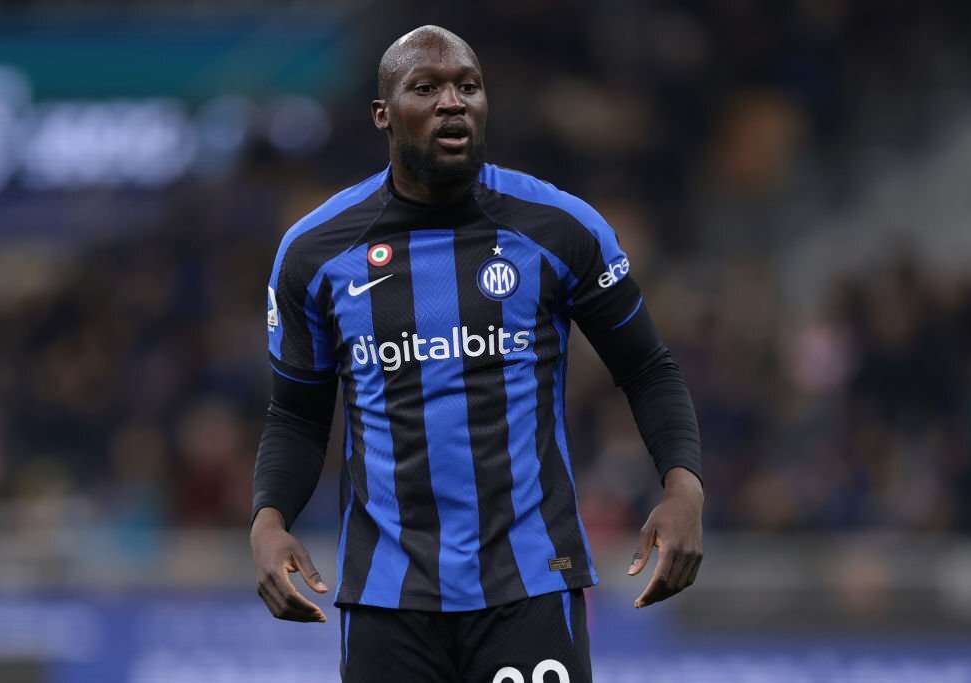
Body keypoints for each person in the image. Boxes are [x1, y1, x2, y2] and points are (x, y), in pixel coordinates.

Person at [250, 25, 703, 683]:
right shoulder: (315, 252)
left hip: (530, 585)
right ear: (383, 114)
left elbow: (647, 367)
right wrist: (269, 518)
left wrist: (683, 485)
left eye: (468, 86)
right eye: (425, 88)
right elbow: (296, 415)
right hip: (387, 598)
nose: (452, 102)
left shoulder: (559, 227)